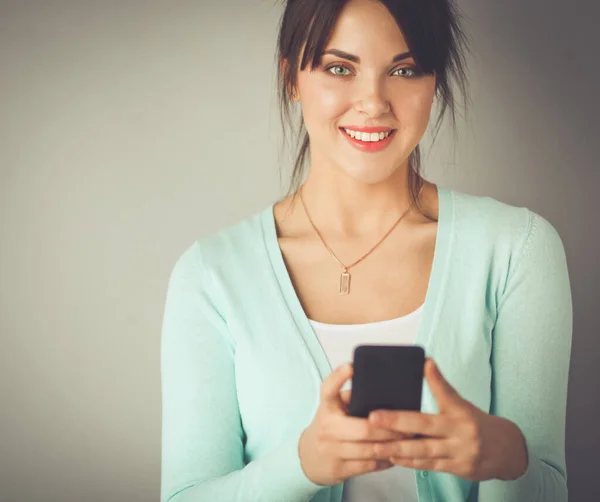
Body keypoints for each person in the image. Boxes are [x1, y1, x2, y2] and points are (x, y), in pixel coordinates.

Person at [160, 0, 572, 500]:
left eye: (404, 69)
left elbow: (551, 485)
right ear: (291, 76)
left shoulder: (516, 251)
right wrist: (302, 465)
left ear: (434, 81)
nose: (373, 102)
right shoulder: (211, 275)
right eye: (340, 68)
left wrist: (504, 456)